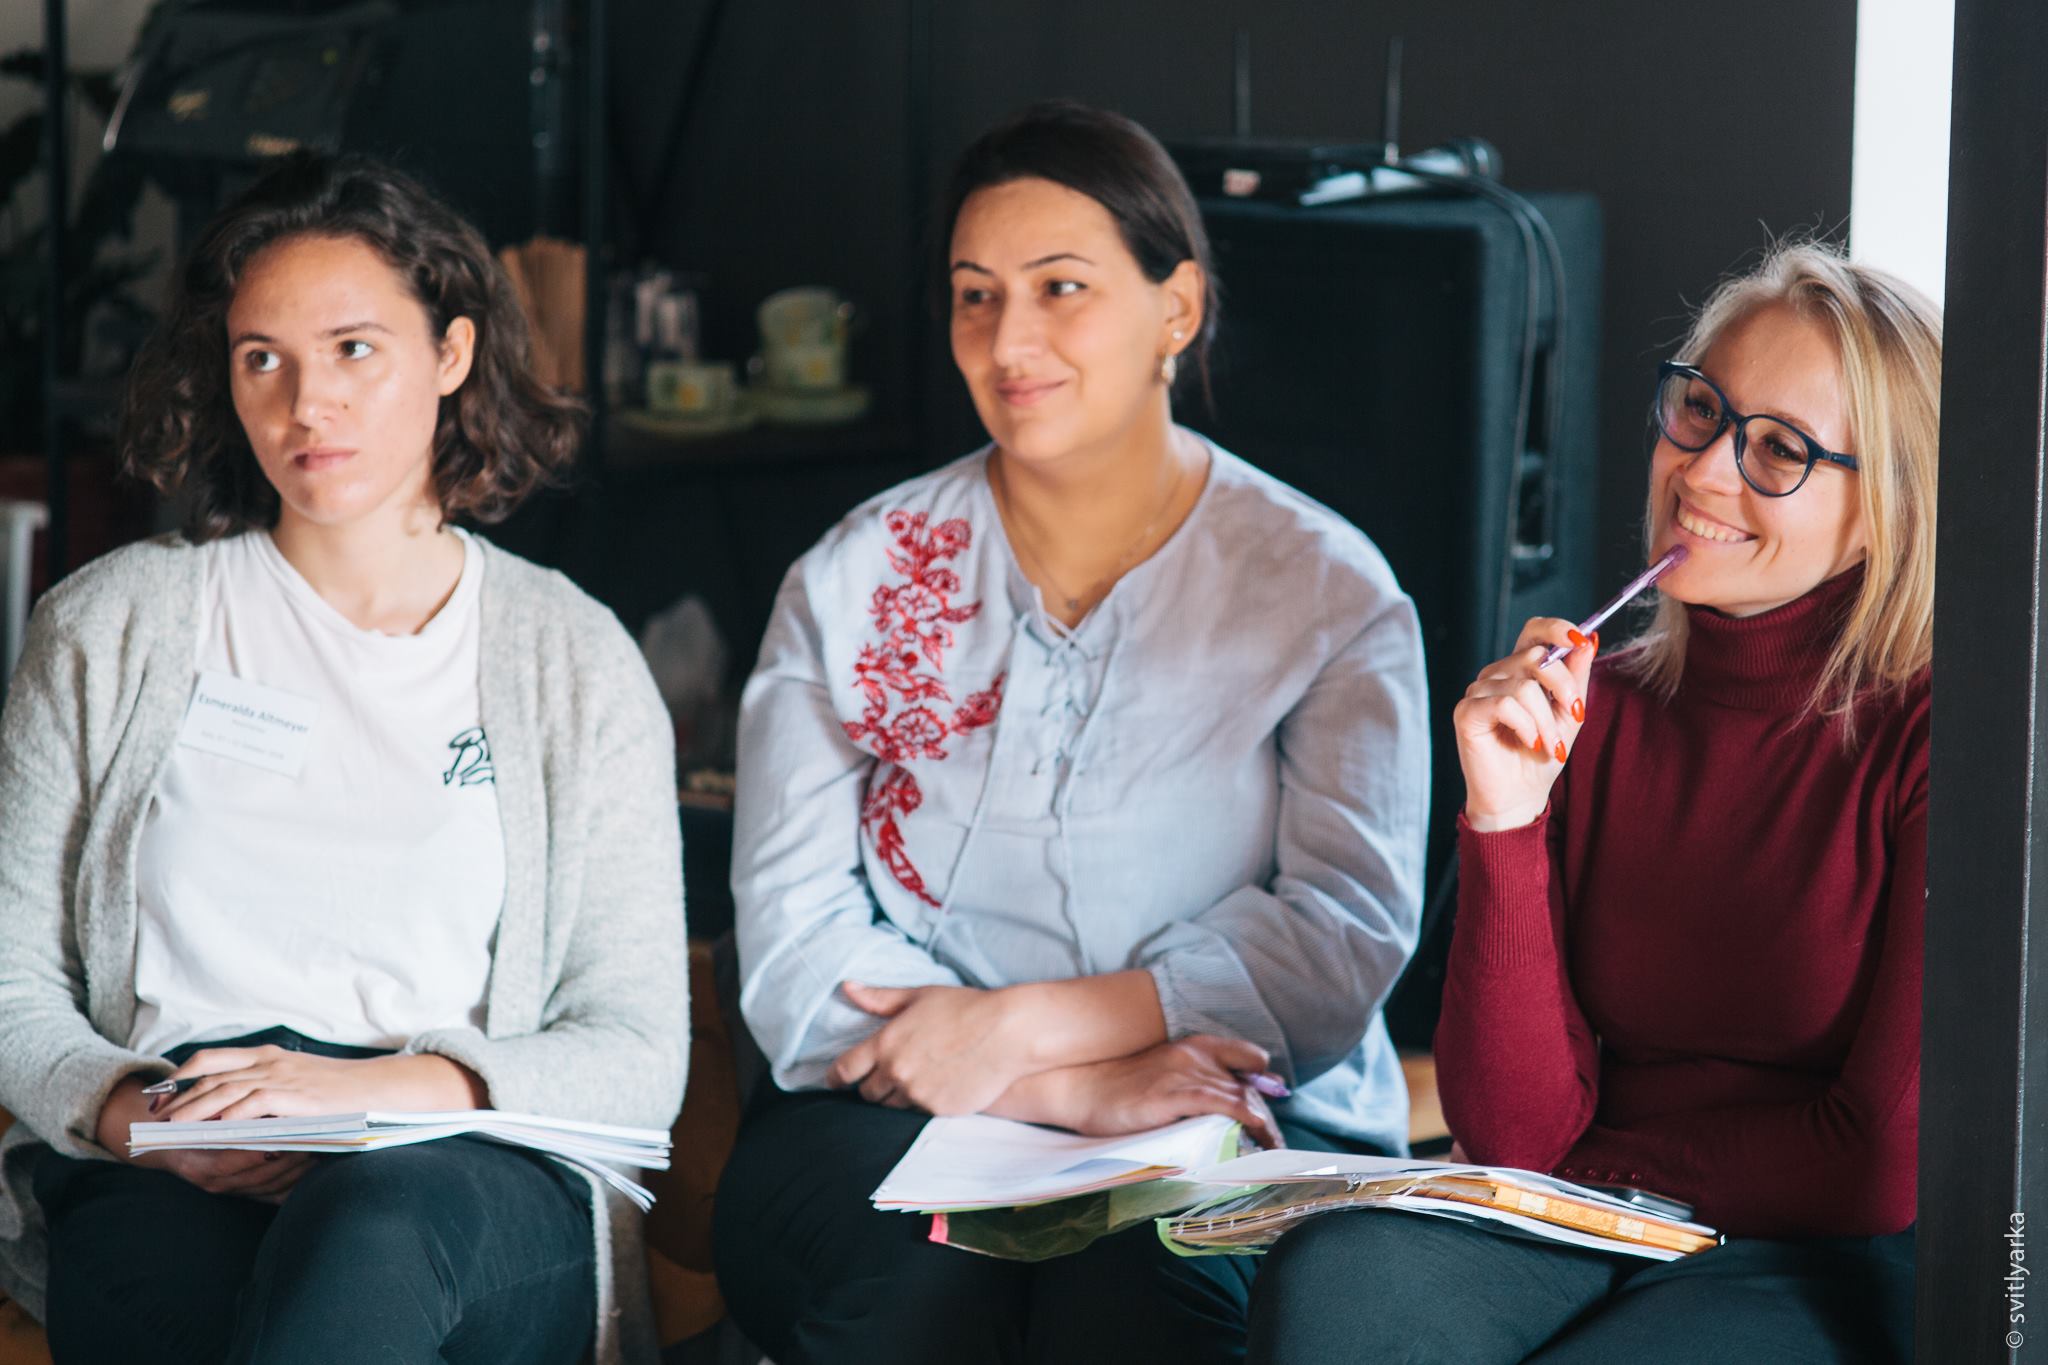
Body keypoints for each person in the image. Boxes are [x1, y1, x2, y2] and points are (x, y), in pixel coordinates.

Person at [711, 100, 1430, 1365]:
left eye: (1060, 287)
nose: (1008, 340)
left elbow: (1340, 938)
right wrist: (1059, 1088)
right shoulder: (853, 580)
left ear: (1175, 308)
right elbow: (790, 945)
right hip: (883, 1104)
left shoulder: (1323, 590)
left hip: (1236, 1103)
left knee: (1143, 1300)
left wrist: (1026, 1025)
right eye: (974, 296)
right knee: (923, 1294)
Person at [0, 154, 688, 1365]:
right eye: (262, 359)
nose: (306, 404)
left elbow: (636, 1052)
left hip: (460, 1162)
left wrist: (370, 1095)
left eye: (354, 349)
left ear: (453, 354)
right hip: (177, 1149)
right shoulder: (109, 628)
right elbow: (10, 981)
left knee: (369, 1240)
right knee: (199, 1308)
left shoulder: (571, 657)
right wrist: (131, 1112)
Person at [1248, 242, 1938, 1364]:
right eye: (1700, 411)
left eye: (1778, 449)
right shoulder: (1590, 714)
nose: (1702, 472)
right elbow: (1509, 1130)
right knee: (1337, 1285)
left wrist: (1595, 1174)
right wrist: (1504, 817)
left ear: (1888, 508)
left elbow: (1874, 1160)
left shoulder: (1936, 738)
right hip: (1588, 1216)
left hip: (1823, 1251)